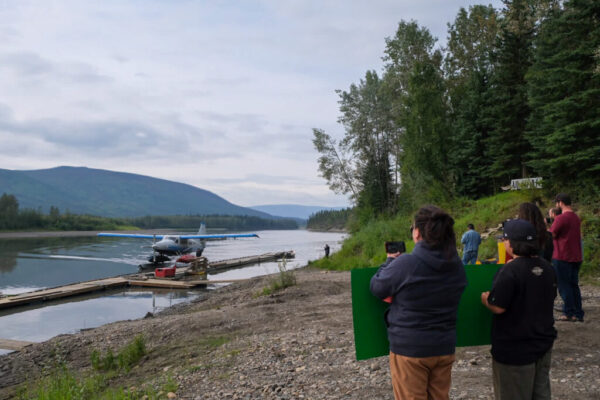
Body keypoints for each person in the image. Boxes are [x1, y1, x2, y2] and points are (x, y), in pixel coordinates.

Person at [370, 205, 467, 400]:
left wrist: (389, 262)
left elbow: (378, 287)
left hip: (410, 349)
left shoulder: (407, 263)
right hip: (444, 346)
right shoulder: (456, 265)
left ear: (417, 232)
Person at [481, 219, 557, 400]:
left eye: (504, 239)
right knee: (541, 394)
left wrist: (485, 299)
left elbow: (498, 307)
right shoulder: (547, 267)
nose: (503, 243)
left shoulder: (510, 270)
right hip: (543, 343)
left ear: (512, 242)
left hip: (514, 349)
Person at [551, 193, 584, 322]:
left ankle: (568, 313)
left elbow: (552, 234)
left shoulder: (560, 218)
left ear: (560, 202)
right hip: (576, 256)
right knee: (574, 285)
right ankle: (578, 313)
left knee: (564, 286)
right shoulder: (576, 217)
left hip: (562, 255)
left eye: (556, 203)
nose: (556, 205)